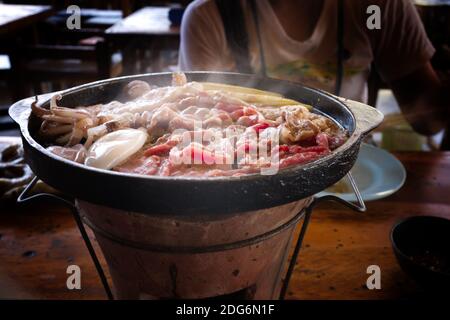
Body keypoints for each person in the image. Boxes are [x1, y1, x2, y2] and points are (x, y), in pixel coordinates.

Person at [178, 0, 448, 136]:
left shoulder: (374, 10)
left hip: (353, 166)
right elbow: (204, 132)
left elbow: (427, 119)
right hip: (255, 171)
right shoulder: (212, 15)